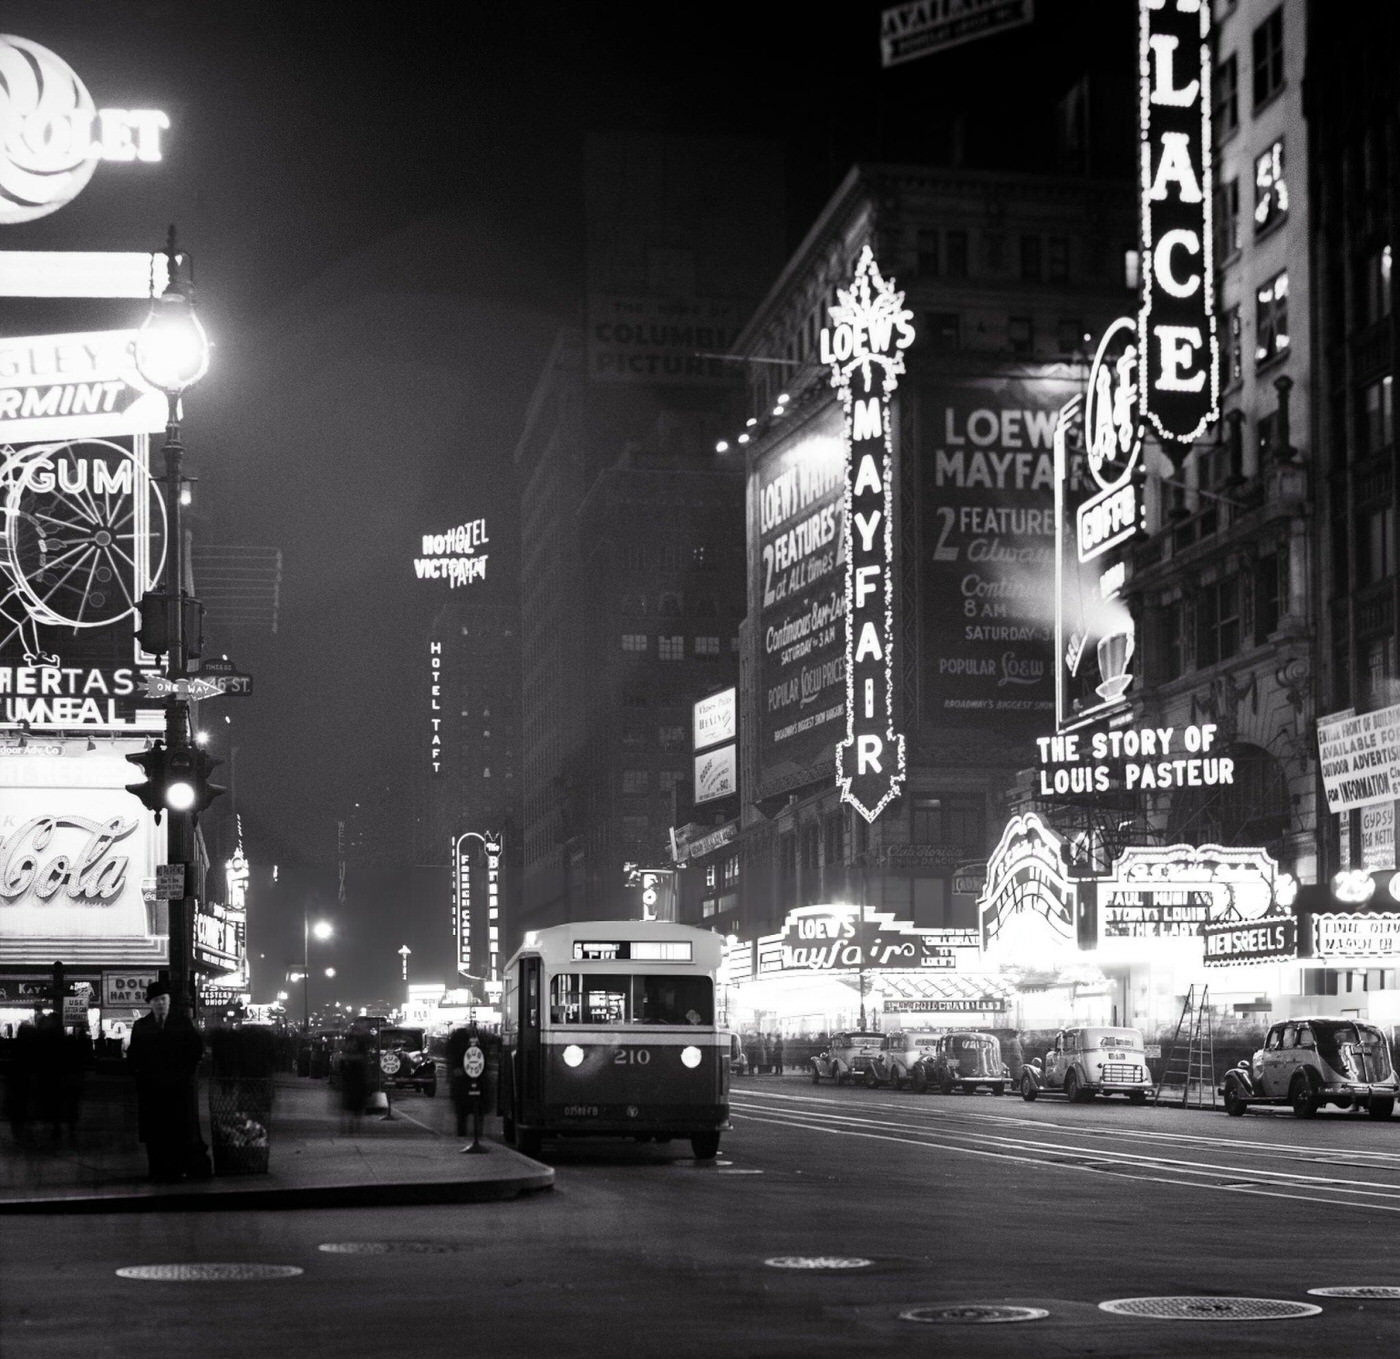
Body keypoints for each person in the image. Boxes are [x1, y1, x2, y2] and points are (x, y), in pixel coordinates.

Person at [126, 981, 204, 1182]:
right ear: (150, 1003)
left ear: (169, 1001)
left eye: (163, 999)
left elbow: (195, 1050)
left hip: (177, 1088)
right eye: (156, 1000)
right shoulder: (141, 1026)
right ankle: (157, 1170)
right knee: (155, 1134)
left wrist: (185, 1073)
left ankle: (176, 1169)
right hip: (152, 1089)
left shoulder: (182, 1024)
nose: (160, 1004)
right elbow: (134, 1055)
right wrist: (141, 1075)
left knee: (176, 1131)